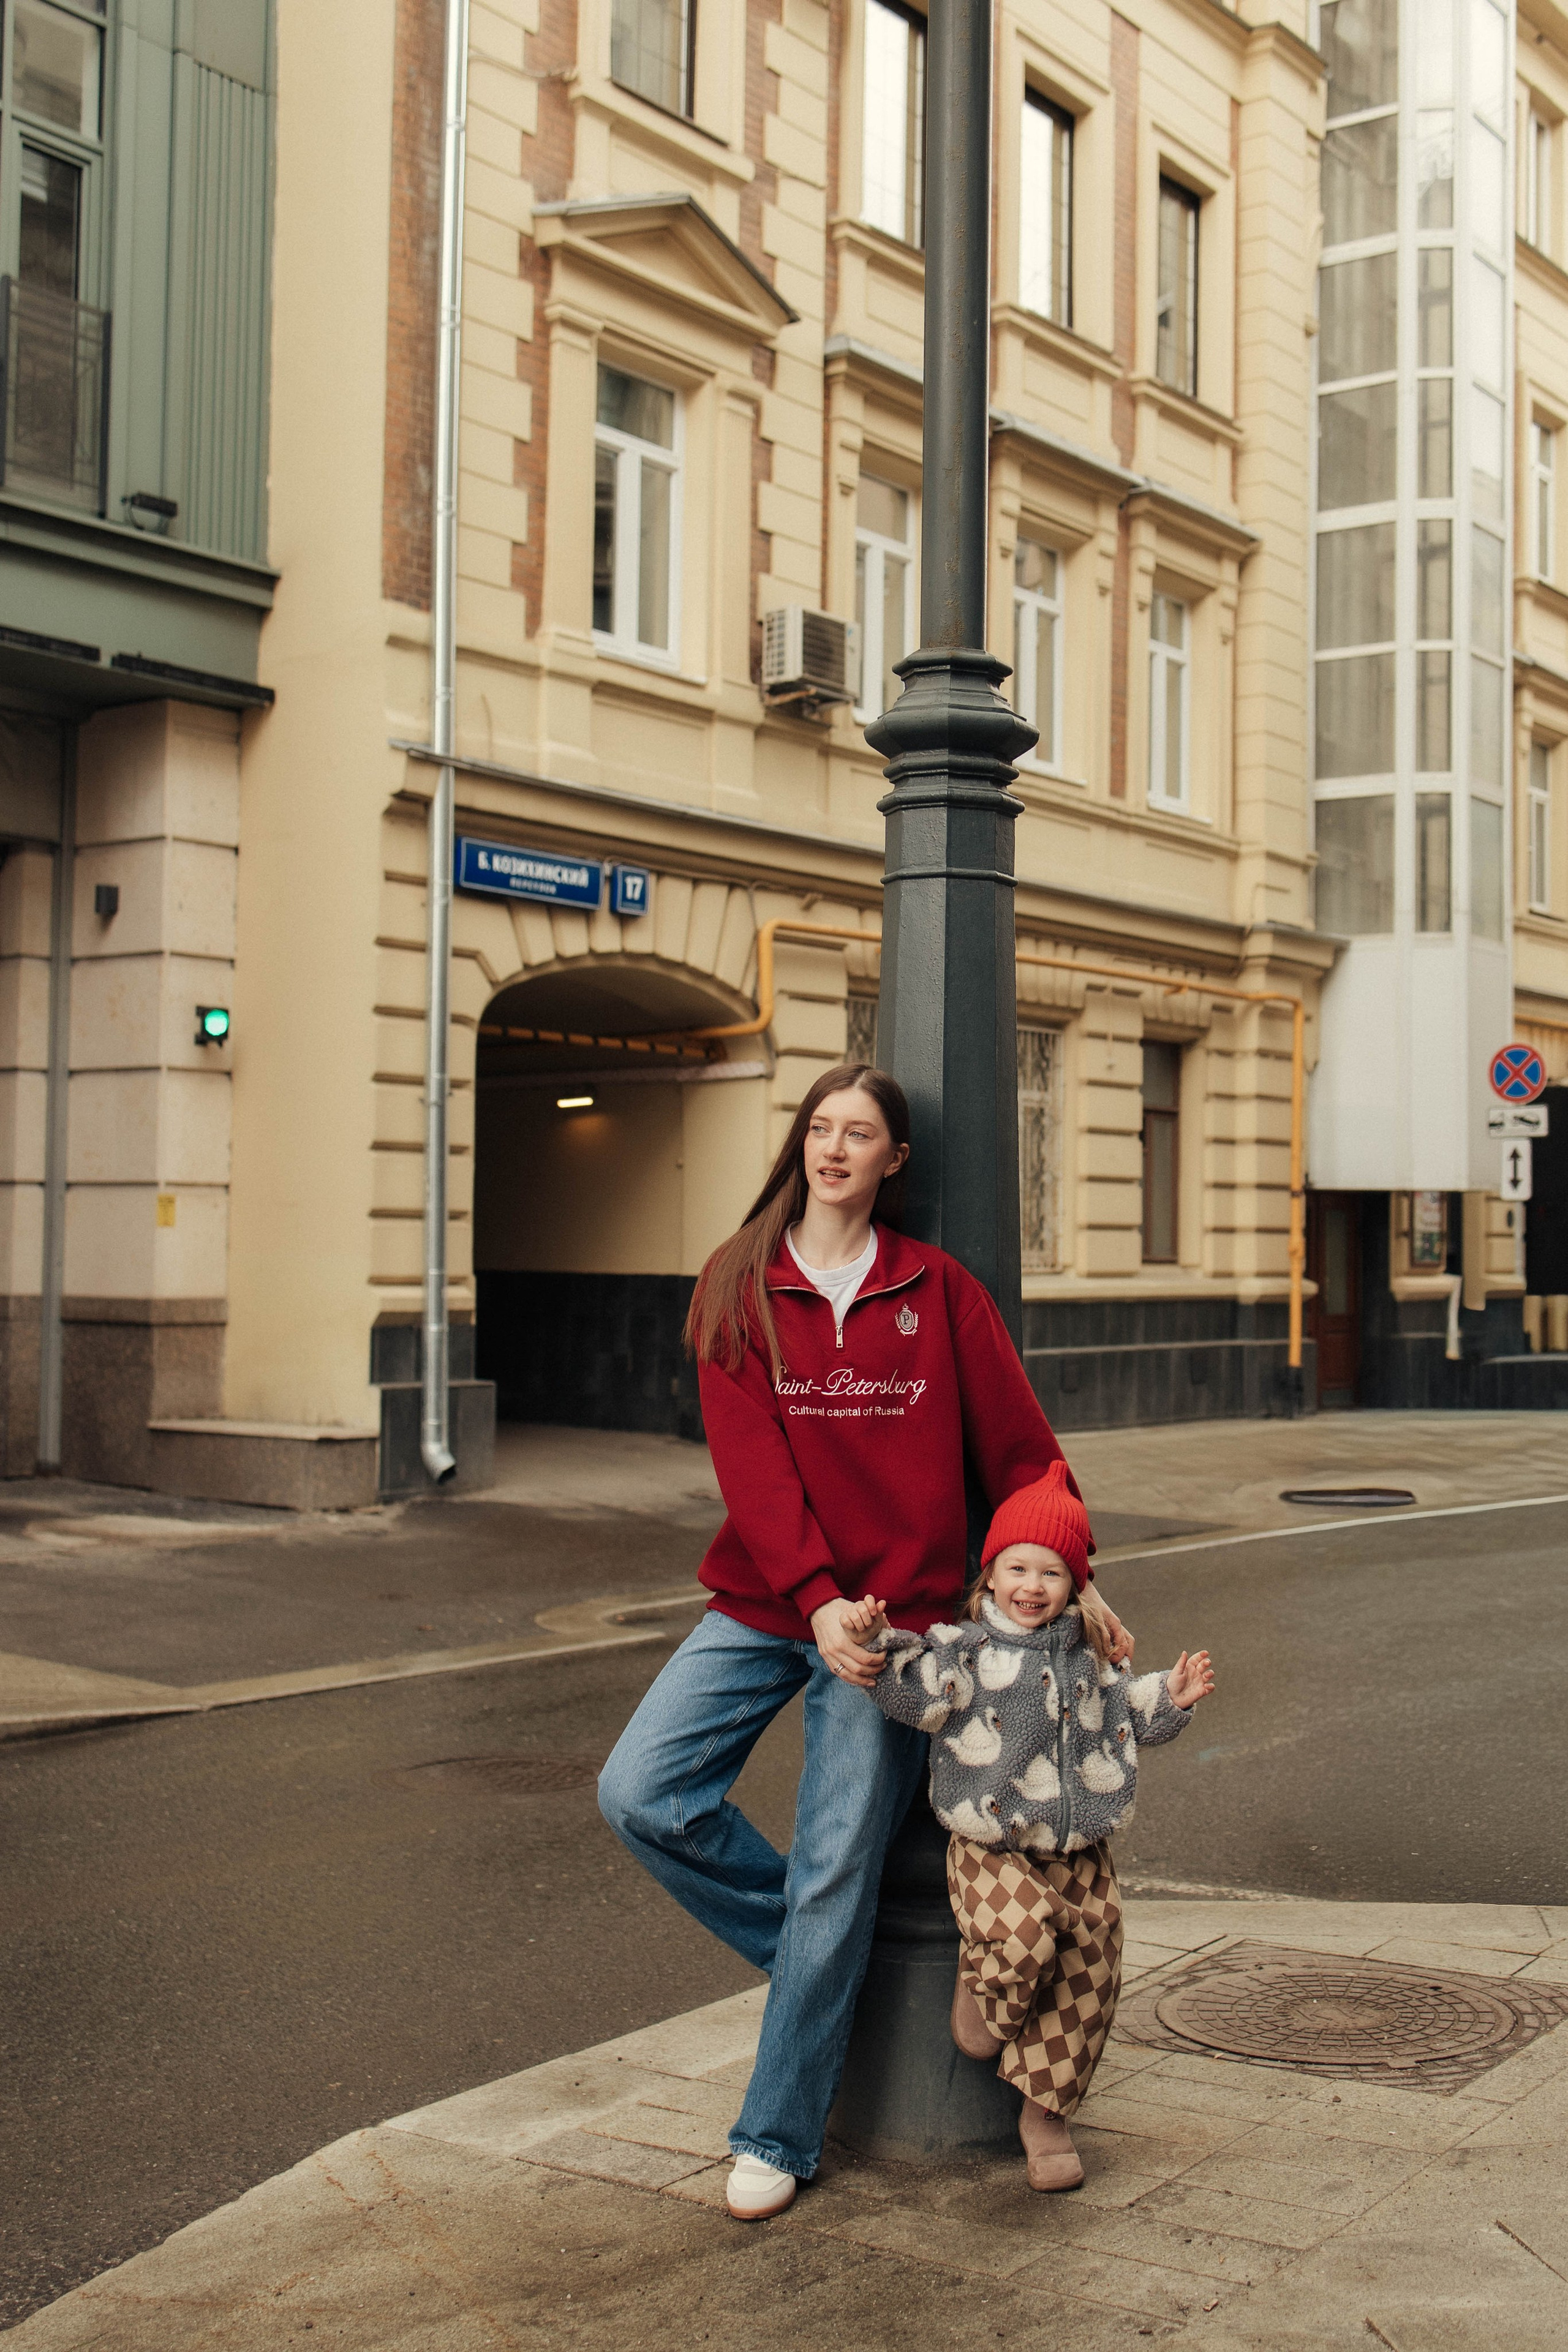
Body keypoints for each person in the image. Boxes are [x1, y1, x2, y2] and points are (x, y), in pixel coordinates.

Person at [598, 1062, 1130, 2221]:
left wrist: (1071, 1572)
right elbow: (754, 1465)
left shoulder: (937, 1292)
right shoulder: (740, 1282)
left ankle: (778, 2137)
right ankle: (820, 1962)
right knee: (642, 1791)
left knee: (836, 1868)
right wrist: (817, 1596)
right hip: (770, 1600)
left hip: (903, 1631)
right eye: (820, 1128)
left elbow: (1025, 1455)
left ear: (895, 1162)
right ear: (800, 1146)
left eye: (862, 1134)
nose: (835, 1149)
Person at [843, 1459, 1214, 2192]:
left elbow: (1126, 1717)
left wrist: (1170, 1694)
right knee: (1021, 1933)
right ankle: (985, 1995)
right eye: (1017, 1568)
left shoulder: (1089, 1656)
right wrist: (880, 1640)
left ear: (1075, 1586)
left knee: (1091, 1965)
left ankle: (1045, 2118)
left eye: (1050, 1573)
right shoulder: (964, 1651)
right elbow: (916, 1692)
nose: (1031, 1587)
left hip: (1080, 1848)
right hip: (991, 1845)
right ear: (990, 1576)